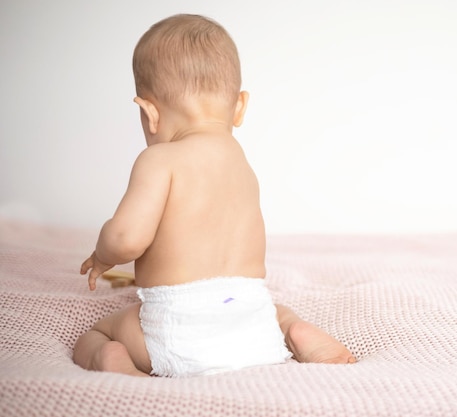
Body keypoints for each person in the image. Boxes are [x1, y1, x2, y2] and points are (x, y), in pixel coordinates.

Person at [73, 14, 356, 377]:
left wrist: (102, 255)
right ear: (239, 106)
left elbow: (127, 238)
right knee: (277, 314)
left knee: (98, 334)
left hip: (178, 328)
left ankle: (114, 363)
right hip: (250, 318)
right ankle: (299, 335)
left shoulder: (158, 160)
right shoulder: (241, 163)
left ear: (149, 113)